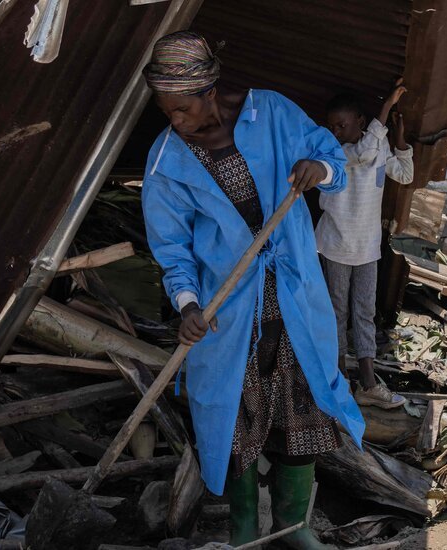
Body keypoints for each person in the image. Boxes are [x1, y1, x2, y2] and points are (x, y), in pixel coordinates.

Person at [140, 31, 364, 549]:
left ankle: (293, 527)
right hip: (229, 316)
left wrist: (320, 167)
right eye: (164, 110)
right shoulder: (166, 162)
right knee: (231, 422)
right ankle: (244, 528)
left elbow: (331, 160)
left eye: (181, 109)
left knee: (301, 415)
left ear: (208, 92)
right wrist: (189, 304)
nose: (174, 121)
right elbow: (172, 250)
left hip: (296, 303)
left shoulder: (273, 114)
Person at [318, 82, 414, 409]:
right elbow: (363, 155)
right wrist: (385, 108)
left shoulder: (377, 142)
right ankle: (339, 380)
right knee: (336, 311)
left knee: (364, 313)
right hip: (336, 246)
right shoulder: (333, 151)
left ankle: (368, 384)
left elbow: (403, 173)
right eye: (332, 126)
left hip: (368, 247)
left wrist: (398, 139)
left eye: (342, 125)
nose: (336, 130)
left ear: (360, 120)